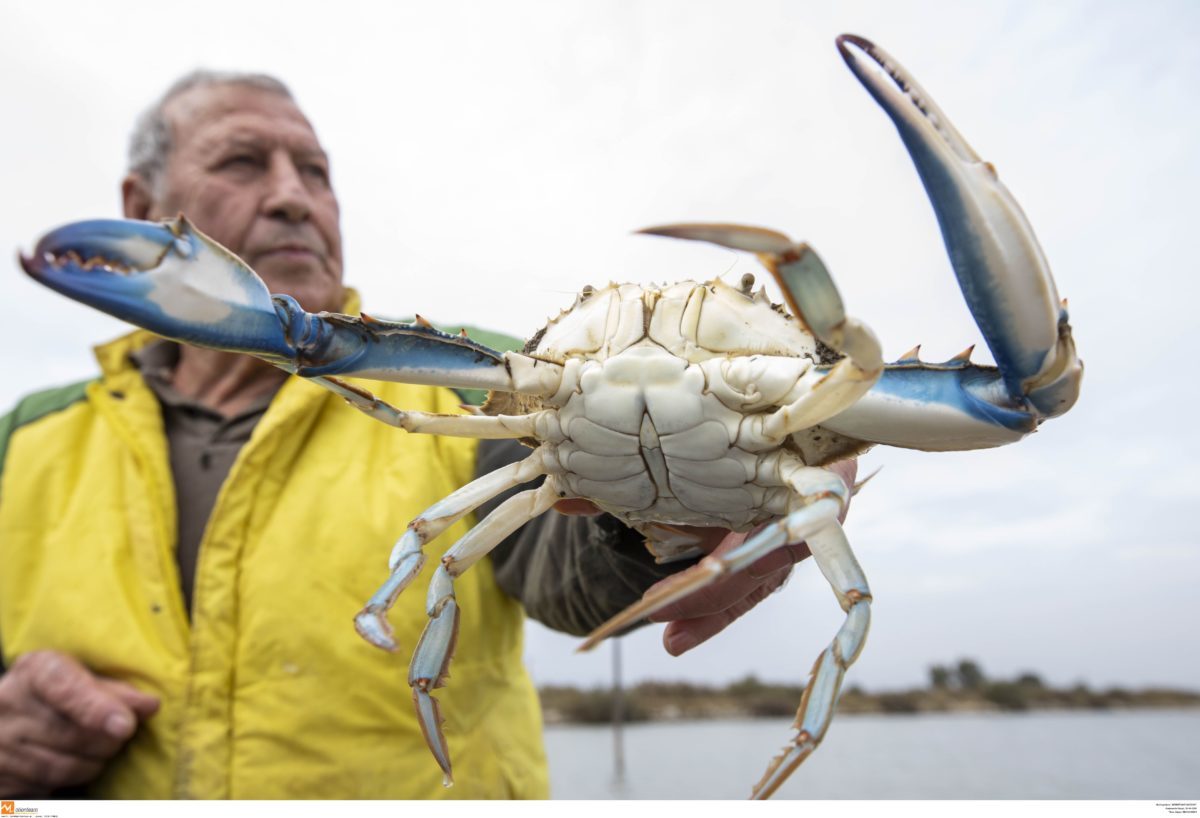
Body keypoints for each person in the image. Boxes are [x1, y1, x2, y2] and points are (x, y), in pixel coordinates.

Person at [0, 71, 853, 799]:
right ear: (142, 207)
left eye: (317, 172)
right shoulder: (26, 441)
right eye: (241, 162)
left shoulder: (482, 372)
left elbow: (566, 574)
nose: (294, 196)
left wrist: (672, 515)